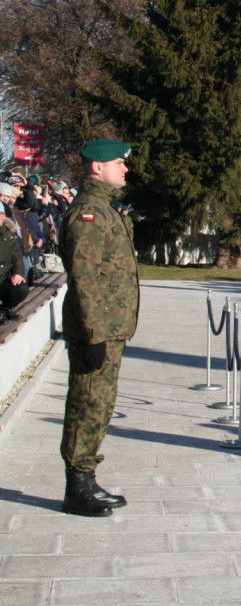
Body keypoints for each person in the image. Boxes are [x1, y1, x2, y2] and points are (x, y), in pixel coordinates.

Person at [59, 139, 140, 517]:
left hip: (111, 327)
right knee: (87, 404)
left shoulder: (106, 209)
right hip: (97, 329)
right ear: (97, 167)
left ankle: (88, 478)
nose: (125, 169)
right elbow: (84, 277)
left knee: (100, 405)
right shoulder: (88, 212)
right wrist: (92, 334)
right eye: (119, 163)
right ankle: (76, 489)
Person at [0, 205, 29, 321]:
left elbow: (17, 256)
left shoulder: (8, 234)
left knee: (21, 289)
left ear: (2, 217)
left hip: (3, 278)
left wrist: (18, 273)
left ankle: (5, 308)